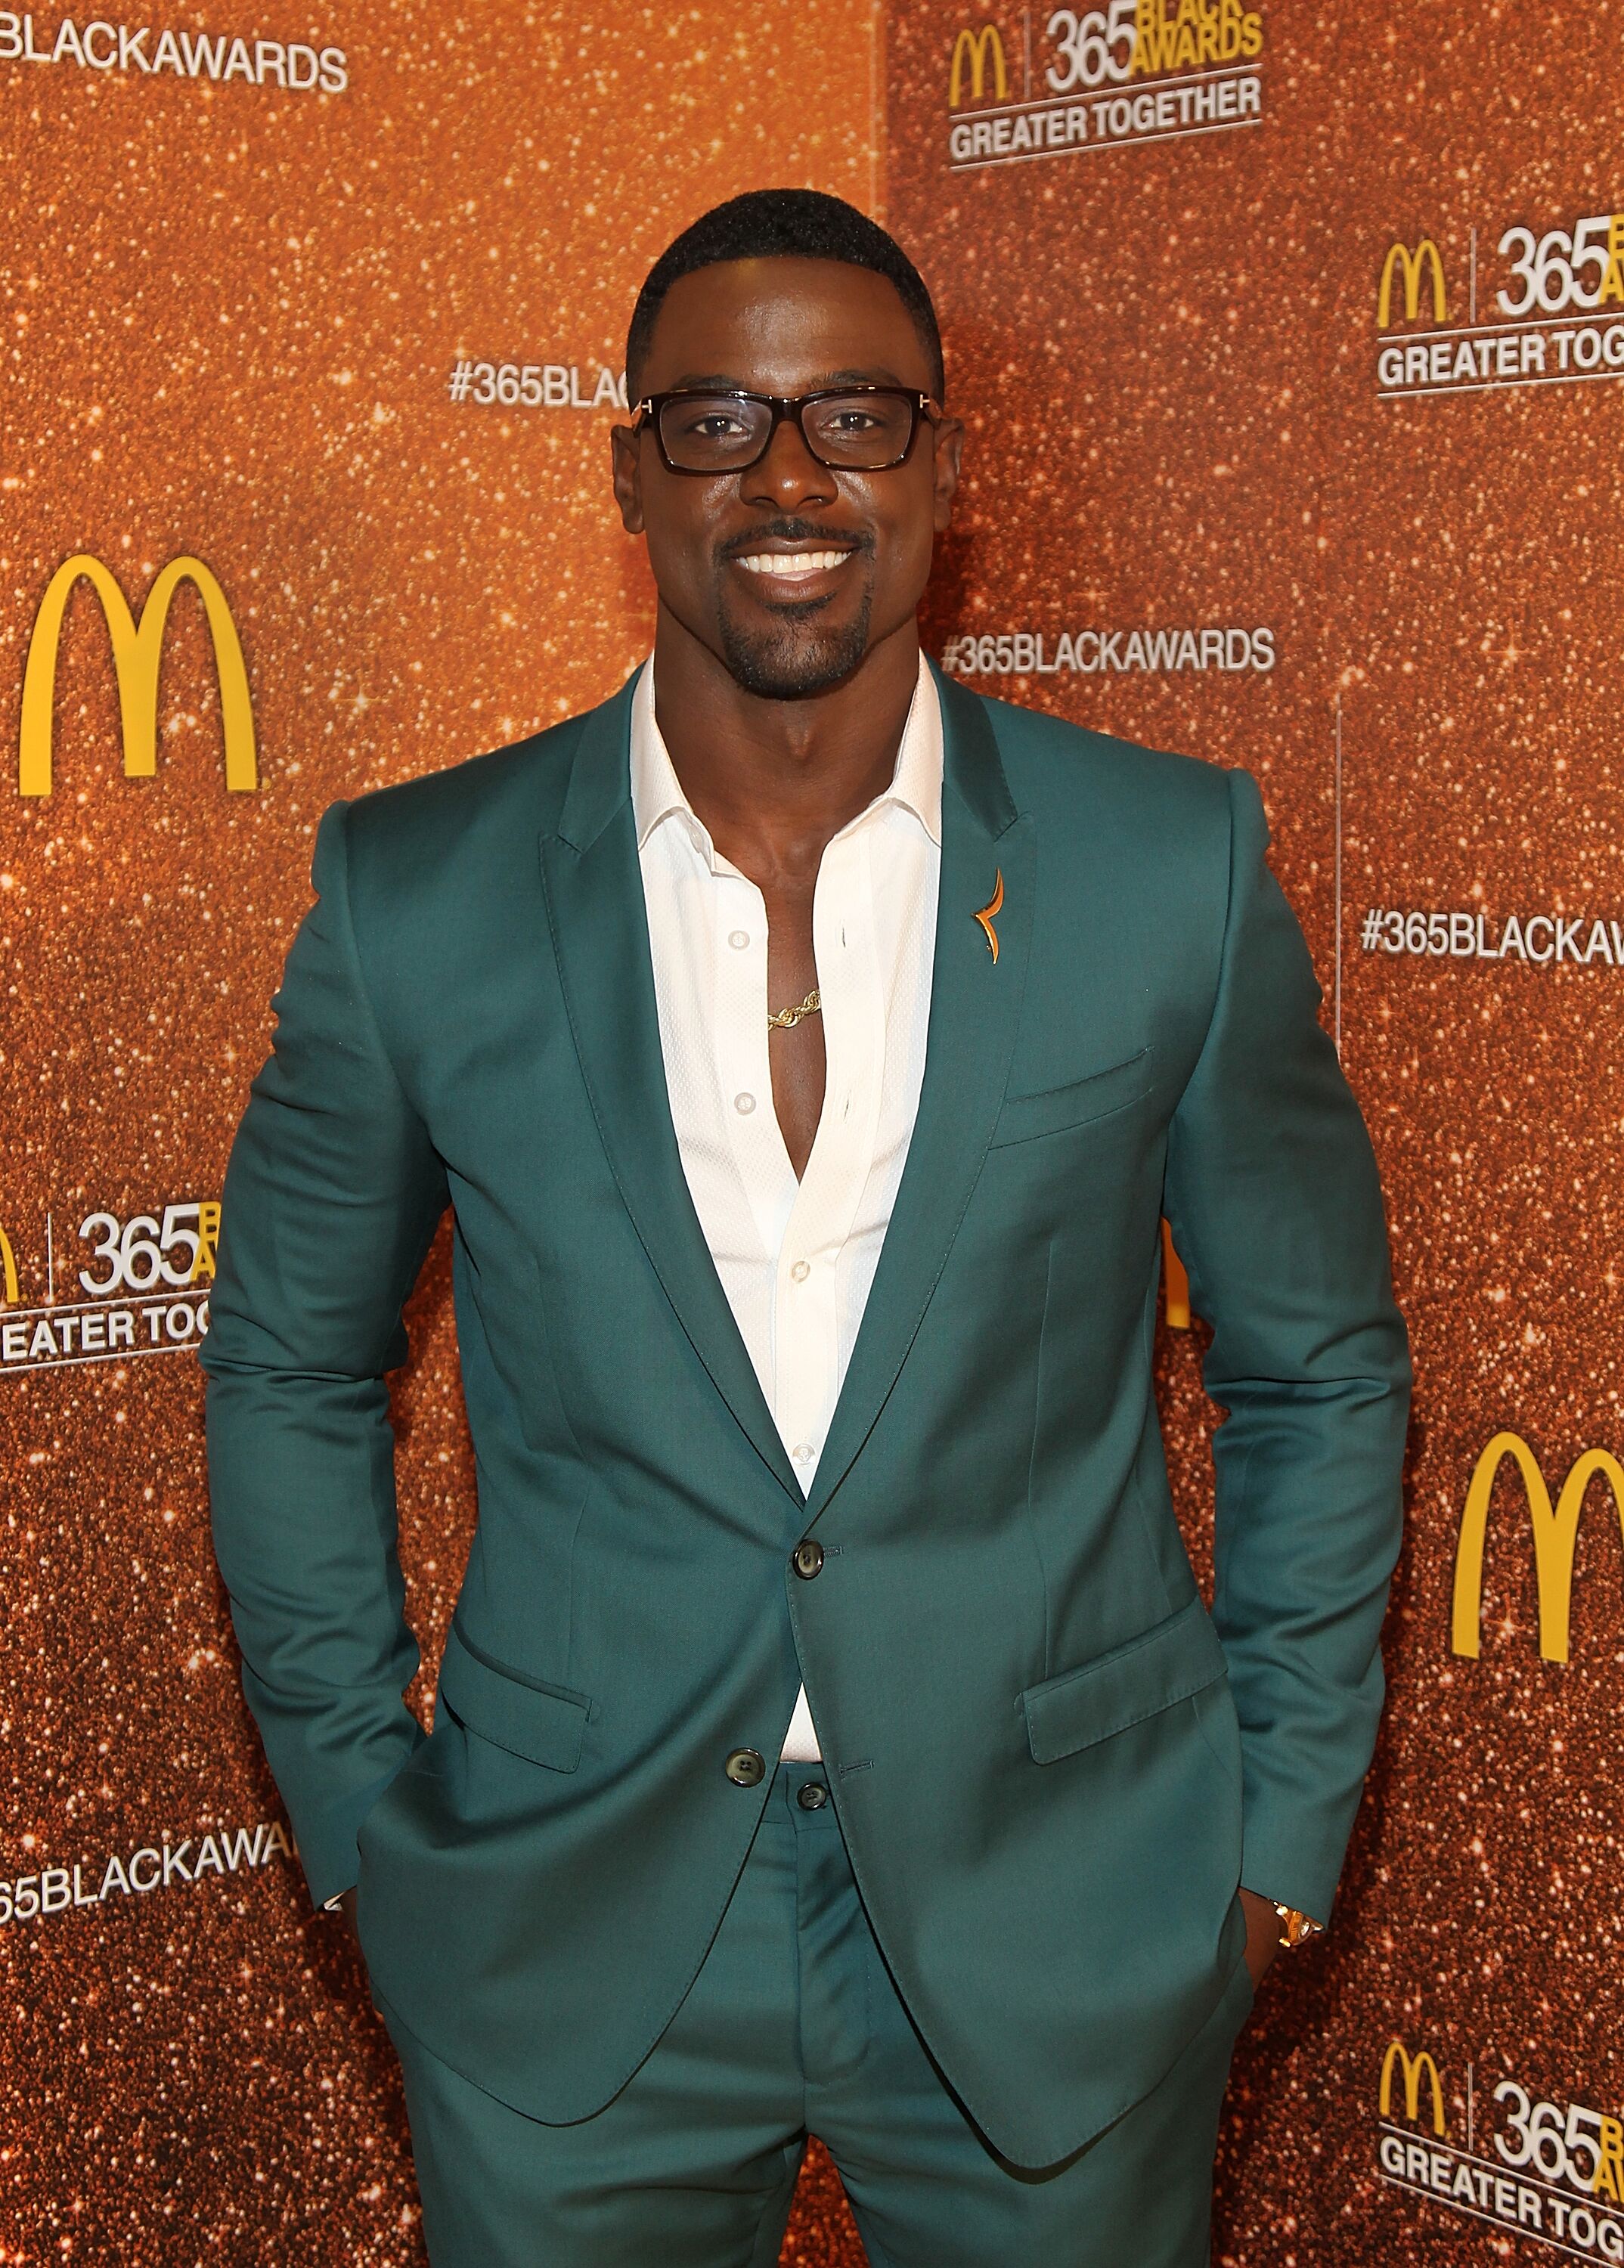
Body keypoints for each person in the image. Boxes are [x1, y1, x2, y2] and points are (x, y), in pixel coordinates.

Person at [203, 187, 1410, 2266]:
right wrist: (361, 1831)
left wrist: (1270, 1846)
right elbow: (286, 1363)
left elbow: (1321, 1365)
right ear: (624, 467)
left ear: (943, 462)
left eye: (855, 415)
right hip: (563, 1934)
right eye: (714, 420)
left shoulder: (1166, 867)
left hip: (1066, 1919)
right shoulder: (416, 890)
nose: (785, 477)